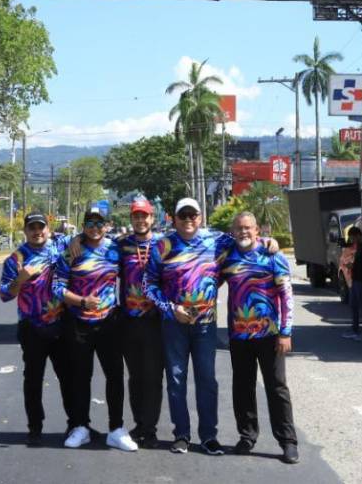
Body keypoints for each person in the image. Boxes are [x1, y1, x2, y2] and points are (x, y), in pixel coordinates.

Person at [143, 198, 279, 455]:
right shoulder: (161, 246)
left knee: (207, 380)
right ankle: (181, 434)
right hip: (174, 325)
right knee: (176, 379)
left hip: (205, 326)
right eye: (182, 215)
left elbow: (246, 240)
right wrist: (171, 309)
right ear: (174, 218)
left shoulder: (218, 241)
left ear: (200, 216)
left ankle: (208, 436)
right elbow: (148, 285)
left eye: (192, 215)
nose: (187, 220)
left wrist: (268, 243)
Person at [54, 204, 136, 452]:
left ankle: (116, 429)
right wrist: (80, 301)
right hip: (78, 321)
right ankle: (80, 426)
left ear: (107, 226)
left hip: (109, 321)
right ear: (83, 227)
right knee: (80, 375)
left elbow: (140, 248)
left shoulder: (115, 249)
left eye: (100, 223)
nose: (95, 228)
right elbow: (57, 287)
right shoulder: (72, 251)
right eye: (90, 223)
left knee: (114, 375)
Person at [221, 211, 298, 464]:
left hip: (270, 335)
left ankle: (287, 442)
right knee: (242, 387)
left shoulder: (272, 255)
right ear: (233, 231)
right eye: (239, 228)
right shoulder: (228, 256)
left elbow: (287, 296)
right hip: (238, 336)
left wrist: (286, 332)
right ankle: (247, 436)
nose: (243, 232)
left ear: (257, 231)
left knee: (277, 387)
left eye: (248, 228)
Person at [0, 213, 75, 447]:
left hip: (61, 324)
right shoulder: (16, 259)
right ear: (25, 231)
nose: (37, 232)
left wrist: (75, 240)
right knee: (33, 379)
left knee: (68, 377)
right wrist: (20, 279)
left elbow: (84, 238)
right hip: (31, 328)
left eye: (41, 227)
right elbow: (4, 295)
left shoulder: (59, 246)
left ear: (48, 229)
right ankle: (35, 427)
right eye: (32, 228)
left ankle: (76, 424)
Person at [118, 197, 165, 448]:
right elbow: (94, 247)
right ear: (131, 219)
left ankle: (151, 427)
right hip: (129, 321)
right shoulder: (122, 245)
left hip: (156, 321)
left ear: (152, 218)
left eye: (144, 215)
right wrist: (76, 239)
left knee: (154, 377)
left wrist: (268, 240)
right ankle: (139, 425)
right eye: (136, 216)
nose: (140, 220)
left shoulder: (164, 244)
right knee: (135, 377)